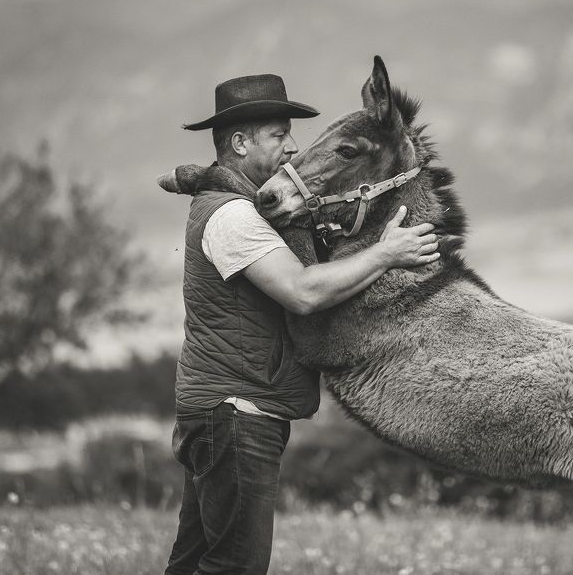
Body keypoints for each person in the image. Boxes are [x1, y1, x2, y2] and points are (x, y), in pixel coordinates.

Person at [164, 74, 440, 575]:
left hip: (223, 412)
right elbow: (304, 292)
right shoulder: (232, 218)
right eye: (277, 135)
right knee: (235, 565)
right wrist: (386, 253)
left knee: (194, 563)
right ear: (240, 143)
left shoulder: (238, 207)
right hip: (235, 414)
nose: (293, 147)